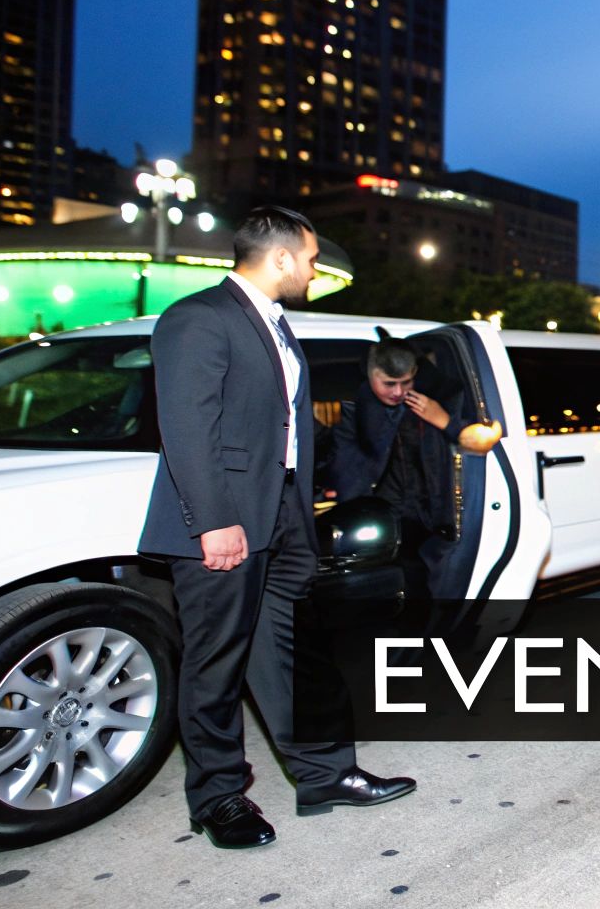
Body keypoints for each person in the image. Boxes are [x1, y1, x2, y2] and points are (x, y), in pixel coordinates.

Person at [138, 206, 415, 851]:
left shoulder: (275, 323)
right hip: (224, 522)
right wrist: (214, 521)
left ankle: (324, 776)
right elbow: (187, 429)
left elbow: (280, 426)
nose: (314, 271)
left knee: (289, 653)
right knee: (215, 665)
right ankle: (218, 798)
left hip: (282, 518)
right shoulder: (199, 318)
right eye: (311, 260)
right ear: (282, 256)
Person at [322, 329, 471, 596]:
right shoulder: (357, 405)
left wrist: (444, 420)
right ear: (371, 374)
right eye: (389, 383)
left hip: (434, 520)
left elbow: (470, 438)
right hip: (383, 520)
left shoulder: (434, 399)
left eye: (406, 382)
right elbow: (346, 461)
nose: (399, 392)